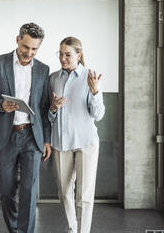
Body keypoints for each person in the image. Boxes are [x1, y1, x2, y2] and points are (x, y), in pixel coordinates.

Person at [0, 23, 51, 233]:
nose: (29, 53)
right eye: (26, 46)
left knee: (29, 190)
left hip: (32, 135)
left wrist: (46, 139)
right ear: (17, 39)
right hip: (6, 136)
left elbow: (44, 107)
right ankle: (13, 229)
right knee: (6, 190)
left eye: (34, 49)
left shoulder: (43, 69)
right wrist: (1, 105)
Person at [48, 36, 105, 233]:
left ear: (79, 55)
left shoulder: (90, 76)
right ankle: (72, 227)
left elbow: (97, 114)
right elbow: (49, 116)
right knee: (64, 192)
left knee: (84, 195)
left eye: (68, 54)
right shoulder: (53, 79)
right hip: (61, 142)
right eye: (60, 54)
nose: (63, 58)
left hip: (86, 142)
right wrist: (53, 108)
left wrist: (95, 92)